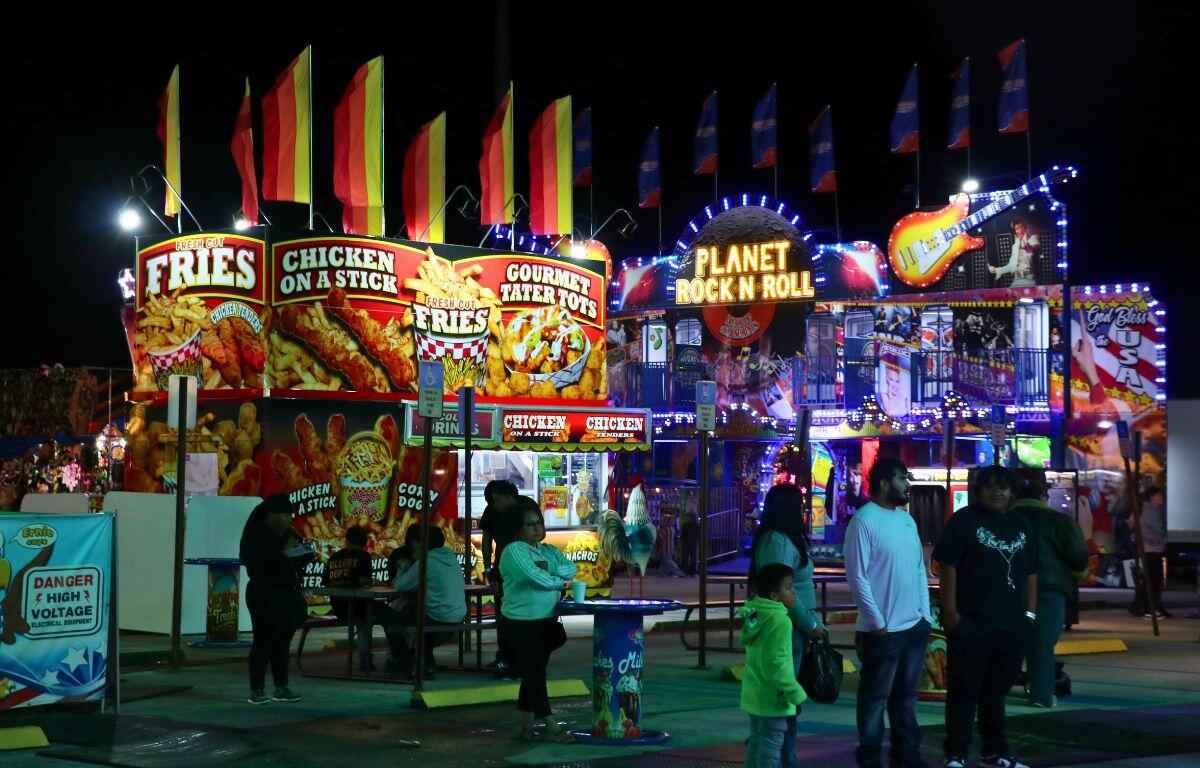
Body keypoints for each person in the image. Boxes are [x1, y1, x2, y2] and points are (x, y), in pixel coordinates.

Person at [934, 466, 1039, 768]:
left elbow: (1032, 570)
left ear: (1012, 493)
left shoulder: (1021, 524)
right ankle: (955, 753)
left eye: (1004, 487)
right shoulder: (963, 522)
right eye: (991, 487)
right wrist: (951, 612)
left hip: (1011, 624)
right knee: (963, 691)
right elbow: (948, 566)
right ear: (978, 491)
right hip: (972, 622)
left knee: (996, 692)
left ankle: (995, 751)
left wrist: (1029, 613)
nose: (998, 493)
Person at [844, 457, 932, 768]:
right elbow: (857, 577)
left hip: (913, 626)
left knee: (906, 697)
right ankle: (869, 755)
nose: (908, 485)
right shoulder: (864, 521)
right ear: (883, 483)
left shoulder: (907, 520)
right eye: (902, 479)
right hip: (882, 631)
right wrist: (876, 622)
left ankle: (907, 753)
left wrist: (925, 614)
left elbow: (919, 568)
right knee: (874, 698)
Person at [749, 483, 826, 767]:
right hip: (786, 631)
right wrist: (810, 624)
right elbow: (781, 592)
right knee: (776, 718)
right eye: (801, 505)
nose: (805, 510)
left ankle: (783, 759)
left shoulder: (783, 539)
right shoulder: (778, 542)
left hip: (792, 631)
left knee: (779, 716)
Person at [499, 496, 576, 743]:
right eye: (530, 524)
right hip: (521, 622)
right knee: (535, 673)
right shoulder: (513, 551)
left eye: (538, 522)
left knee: (535, 673)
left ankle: (520, 726)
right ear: (518, 528)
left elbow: (570, 569)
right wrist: (557, 579)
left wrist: (549, 570)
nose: (536, 528)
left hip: (546, 621)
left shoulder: (548, 550)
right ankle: (551, 724)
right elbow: (535, 578)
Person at [1013, 477, 1088, 708]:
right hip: (1049, 590)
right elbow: (1078, 558)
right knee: (1042, 643)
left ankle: (994, 690)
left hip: (1010, 588)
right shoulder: (1060, 521)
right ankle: (1041, 695)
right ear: (1043, 496)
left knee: (1007, 641)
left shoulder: (1005, 520)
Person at [239, 493, 308, 705]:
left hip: (287, 593)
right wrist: (283, 550)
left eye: (290, 515)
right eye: (286, 515)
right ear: (271, 515)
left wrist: (302, 550)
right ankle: (257, 690)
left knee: (282, 643)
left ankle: (281, 686)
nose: (289, 519)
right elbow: (256, 561)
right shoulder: (256, 534)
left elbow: (296, 561)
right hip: (265, 593)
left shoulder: (286, 533)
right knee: (264, 642)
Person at [740, 563, 808, 768]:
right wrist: (795, 693)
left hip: (754, 693)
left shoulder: (754, 614)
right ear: (774, 595)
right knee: (772, 744)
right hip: (775, 696)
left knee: (757, 740)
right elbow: (778, 662)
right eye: (788, 587)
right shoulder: (780, 620)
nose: (794, 591)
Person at [391, 524, 467, 678]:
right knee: (422, 613)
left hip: (437, 616)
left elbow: (400, 585)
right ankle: (428, 664)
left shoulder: (426, 560)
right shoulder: (451, 557)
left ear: (423, 543)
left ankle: (406, 667)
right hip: (458, 615)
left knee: (392, 622)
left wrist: (405, 566)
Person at [324, 525, 404, 672]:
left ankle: (365, 660)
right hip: (359, 606)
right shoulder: (363, 556)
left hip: (339, 608)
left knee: (365, 622)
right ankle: (398, 659)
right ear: (364, 543)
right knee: (393, 617)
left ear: (346, 540)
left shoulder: (333, 558)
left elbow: (325, 583)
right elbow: (364, 581)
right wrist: (376, 583)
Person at [480, 479, 520, 677]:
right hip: (501, 571)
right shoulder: (491, 512)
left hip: (522, 572)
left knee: (518, 617)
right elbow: (486, 540)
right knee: (503, 616)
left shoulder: (524, 509)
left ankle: (518, 658)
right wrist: (488, 568)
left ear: (509, 497)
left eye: (496, 501)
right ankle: (504, 657)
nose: (494, 505)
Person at [1130, 486, 1169, 620]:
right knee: (1153, 580)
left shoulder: (1156, 510)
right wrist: (1154, 539)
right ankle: (1148, 606)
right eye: (1159, 496)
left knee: (1153, 580)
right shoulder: (1149, 511)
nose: (1161, 499)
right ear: (1152, 498)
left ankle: (1147, 605)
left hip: (1154, 548)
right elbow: (1142, 527)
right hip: (1150, 549)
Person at [988, 217, 1039, 287]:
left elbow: (1033, 247)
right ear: (1015, 231)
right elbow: (1011, 266)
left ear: (1025, 227)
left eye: (1021, 227)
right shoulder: (1015, 246)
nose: (1020, 230)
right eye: (1017, 229)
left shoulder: (1033, 238)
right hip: (1016, 280)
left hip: (1029, 280)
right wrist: (996, 270)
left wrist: (1027, 244)